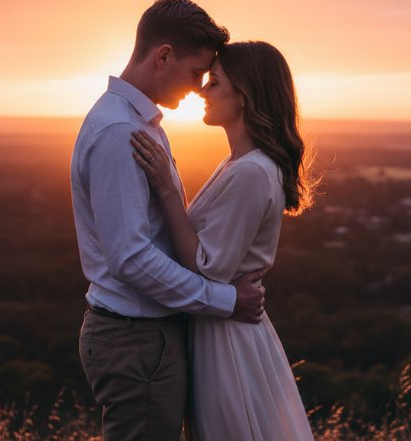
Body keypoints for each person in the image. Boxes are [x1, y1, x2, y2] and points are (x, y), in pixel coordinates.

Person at [70, 0, 267, 441]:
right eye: (196, 72)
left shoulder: (137, 124)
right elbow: (131, 258)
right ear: (163, 56)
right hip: (136, 340)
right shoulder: (121, 132)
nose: (199, 87)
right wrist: (225, 300)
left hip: (144, 338)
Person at [130, 41, 316, 440]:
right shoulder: (236, 164)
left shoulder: (251, 172)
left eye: (214, 82)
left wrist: (166, 188)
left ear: (244, 97)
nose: (202, 90)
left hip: (228, 340)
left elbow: (208, 267)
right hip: (220, 325)